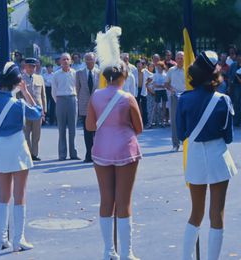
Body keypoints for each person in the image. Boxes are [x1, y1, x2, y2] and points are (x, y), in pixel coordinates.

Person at [88, 26, 143, 259]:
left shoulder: (96, 95)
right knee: (124, 202)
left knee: (106, 200)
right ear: (122, 76)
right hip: (125, 149)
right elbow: (139, 128)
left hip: (101, 149)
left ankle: (108, 251)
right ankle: (127, 251)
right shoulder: (128, 98)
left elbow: (90, 126)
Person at [177, 51, 237, 260]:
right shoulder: (224, 100)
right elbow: (228, 137)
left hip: (195, 158)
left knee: (195, 213)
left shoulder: (184, 99)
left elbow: (182, 133)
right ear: (215, 74)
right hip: (218, 157)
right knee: (216, 214)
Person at [0, 62, 42, 252]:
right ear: (17, 82)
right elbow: (38, 113)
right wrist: (26, 93)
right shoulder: (19, 104)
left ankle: (0, 239)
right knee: (20, 195)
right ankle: (19, 239)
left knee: (3, 195)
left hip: (1, 148)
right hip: (18, 148)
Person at [52, 53, 80, 161]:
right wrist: (58, 101)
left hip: (72, 99)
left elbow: (77, 87)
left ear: (71, 61)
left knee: (73, 128)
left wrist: (75, 98)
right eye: (63, 59)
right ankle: (62, 154)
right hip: (61, 100)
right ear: (60, 61)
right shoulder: (56, 74)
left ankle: (73, 153)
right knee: (61, 129)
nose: (65, 61)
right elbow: (54, 91)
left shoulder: (75, 74)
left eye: (67, 59)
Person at [20, 58, 46, 161]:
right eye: (29, 66)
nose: (31, 68)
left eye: (33, 66)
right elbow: (17, 95)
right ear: (25, 67)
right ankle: (28, 153)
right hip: (25, 110)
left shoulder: (40, 78)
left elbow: (43, 96)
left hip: (37, 110)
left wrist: (44, 111)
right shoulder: (20, 79)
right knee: (26, 134)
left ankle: (34, 154)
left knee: (36, 134)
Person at [76, 52, 100, 163]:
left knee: (97, 131)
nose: (89, 62)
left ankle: (97, 154)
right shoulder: (79, 73)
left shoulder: (100, 73)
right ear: (84, 61)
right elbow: (77, 89)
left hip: (97, 105)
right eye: (87, 60)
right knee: (87, 131)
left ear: (95, 60)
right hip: (84, 106)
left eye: (91, 60)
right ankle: (88, 154)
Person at [165, 51, 186, 152]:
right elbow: (166, 83)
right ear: (175, 59)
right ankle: (175, 144)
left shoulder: (188, 70)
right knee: (174, 121)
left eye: (181, 58)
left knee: (187, 120)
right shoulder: (171, 70)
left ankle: (186, 143)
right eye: (178, 58)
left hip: (187, 97)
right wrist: (171, 89)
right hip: (175, 97)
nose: (180, 59)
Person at [152, 61, 168, 127]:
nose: (158, 68)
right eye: (157, 67)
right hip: (157, 91)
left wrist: (160, 86)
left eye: (159, 66)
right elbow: (155, 85)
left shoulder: (165, 75)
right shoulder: (155, 75)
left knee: (164, 107)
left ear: (162, 67)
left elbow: (166, 85)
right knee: (155, 106)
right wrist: (161, 86)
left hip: (163, 91)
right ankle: (154, 121)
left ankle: (162, 122)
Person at [228, 52, 241, 126]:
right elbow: (229, 76)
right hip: (235, 86)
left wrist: (237, 75)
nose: (239, 58)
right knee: (235, 103)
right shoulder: (233, 65)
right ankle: (236, 121)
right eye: (238, 56)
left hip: (238, 86)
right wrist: (229, 87)